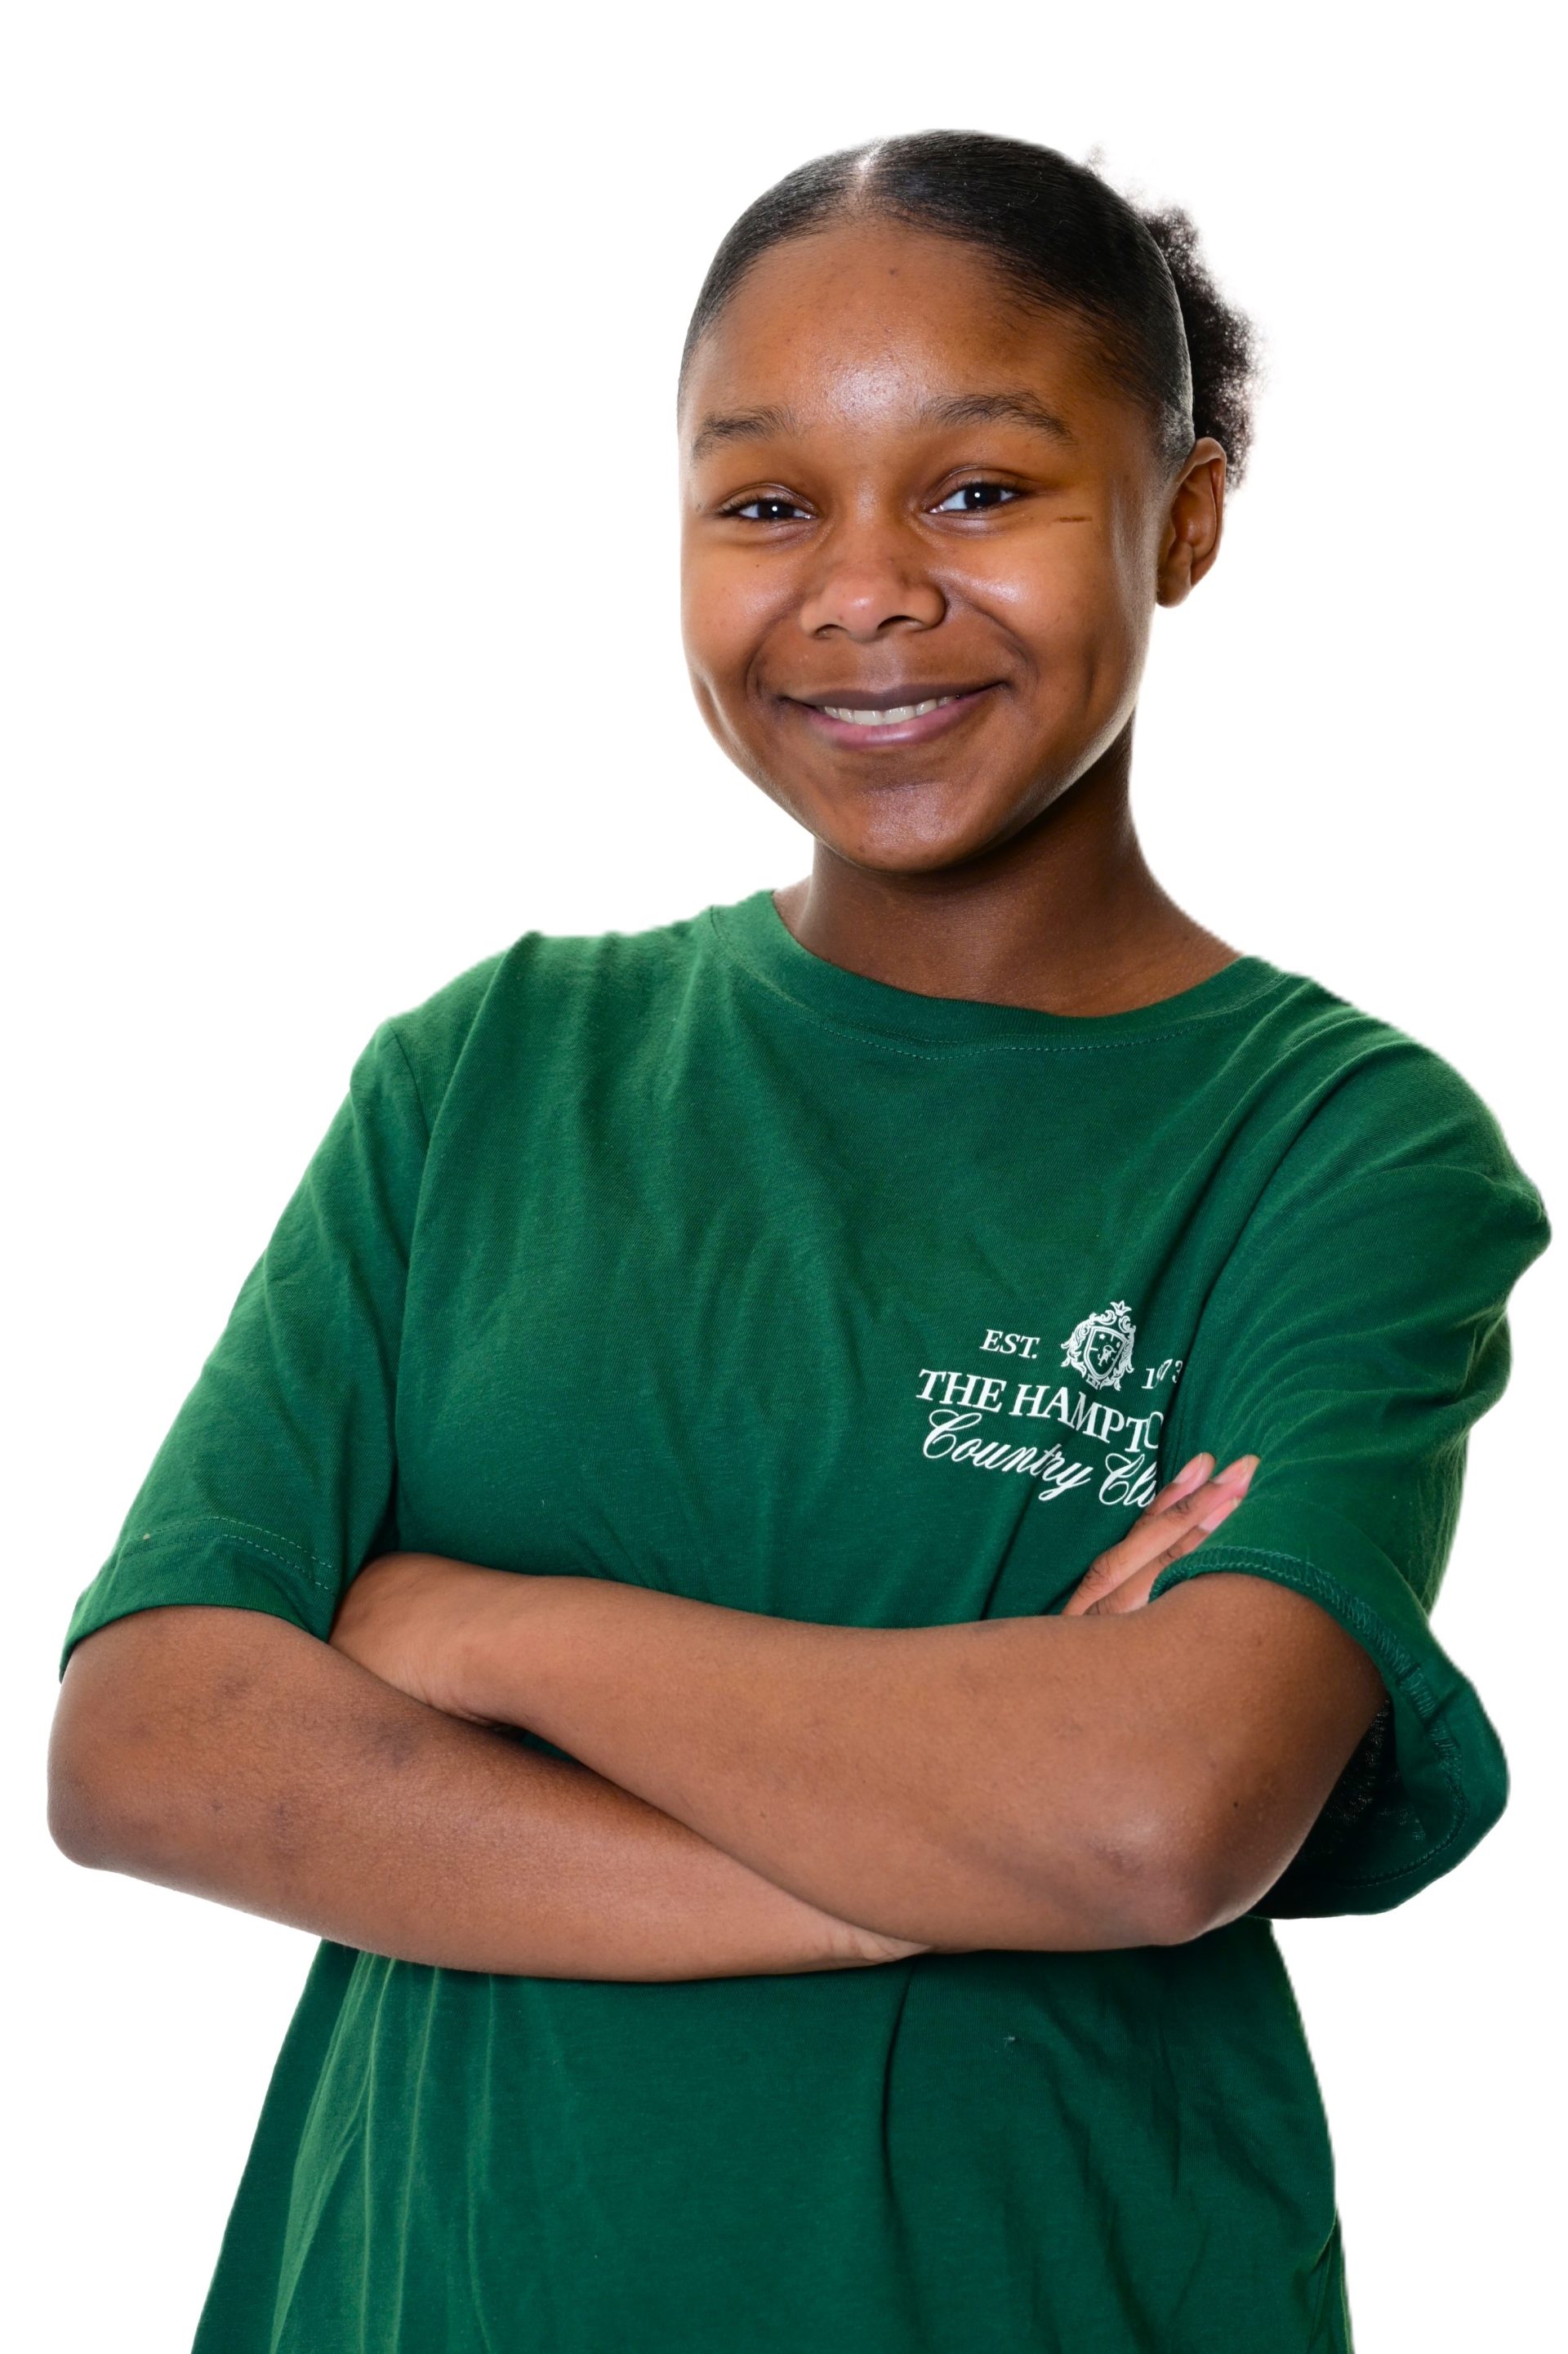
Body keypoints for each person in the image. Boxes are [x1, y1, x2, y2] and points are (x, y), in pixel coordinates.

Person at [48, 131, 1550, 2353]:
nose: (862, 590)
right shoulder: (491, 1074)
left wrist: (478, 1628)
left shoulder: (1336, 1148)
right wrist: (925, 1852)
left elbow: (1154, 1816)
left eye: (979, 489)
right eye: (765, 505)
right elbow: (151, 1744)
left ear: (1184, 515)